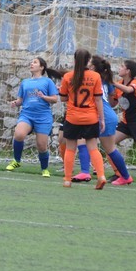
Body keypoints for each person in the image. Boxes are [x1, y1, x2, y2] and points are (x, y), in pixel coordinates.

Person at [58, 48, 108, 189]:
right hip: (90, 118)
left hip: (72, 118)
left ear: (74, 60)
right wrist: (102, 119)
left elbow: (62, 98)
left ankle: (67, 180)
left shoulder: (68, 76)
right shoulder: (95, 76)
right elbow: (98, 100)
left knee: (70, 148)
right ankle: (101, 176)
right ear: (89, 61)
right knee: (93, 148)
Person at [5, 57, 62, 177]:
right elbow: (21, 100)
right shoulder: (25, 82)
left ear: (41, 67)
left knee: (42, 146)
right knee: (19, 134)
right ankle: (16, 161)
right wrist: (15, 103)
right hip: (27, 115)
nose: (31, 64)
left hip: (43, 117)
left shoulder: (47, 82)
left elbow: (55, 99)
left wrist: (43, 97)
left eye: (35, 62)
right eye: (31, 62)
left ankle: (44, 169)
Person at [90, 55, 132, 185]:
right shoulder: (105, 80)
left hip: (104, 116)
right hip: (105, 114)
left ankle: (124, 176)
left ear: (93, 67)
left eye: (89, 63)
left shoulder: (91, 79)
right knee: (86, 143)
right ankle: (91, 171)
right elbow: (113, 102)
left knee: (109, 149)